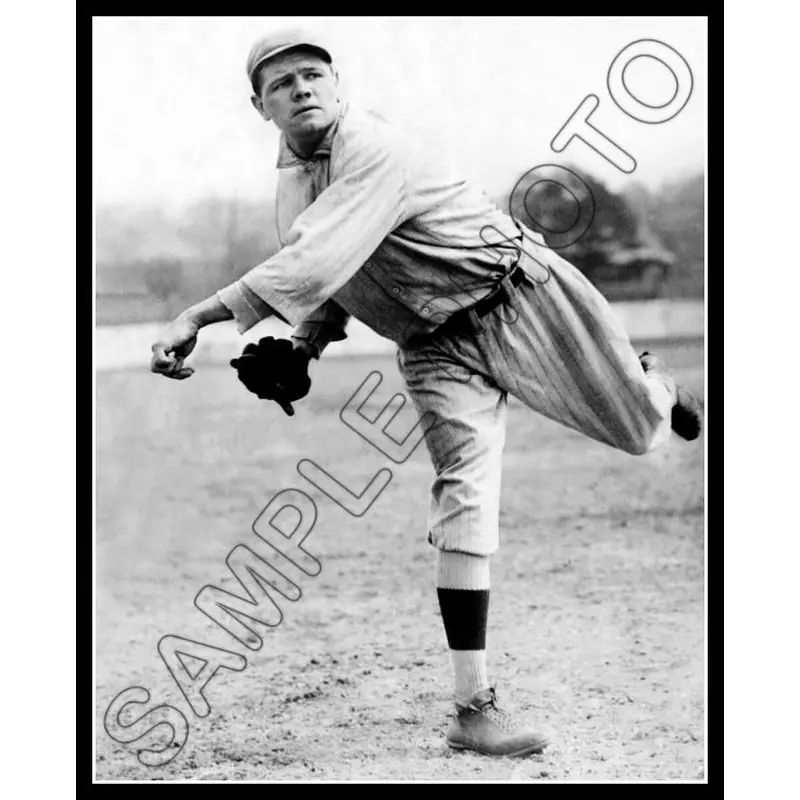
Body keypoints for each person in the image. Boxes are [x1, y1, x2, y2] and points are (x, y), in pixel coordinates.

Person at [150, 27, 702, 758]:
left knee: (639, 431)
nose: (303, 88)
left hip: (516, 298)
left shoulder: (374, 147)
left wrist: (196, 315)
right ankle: (474, 708)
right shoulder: (293, 187)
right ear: (260, 107)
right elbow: (342, 267)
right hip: (433, 346)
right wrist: (307, 343)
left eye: (315, 74)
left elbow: (316, 258)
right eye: (282, 84)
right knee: (464, 499)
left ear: (339, 86)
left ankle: (652, 380)